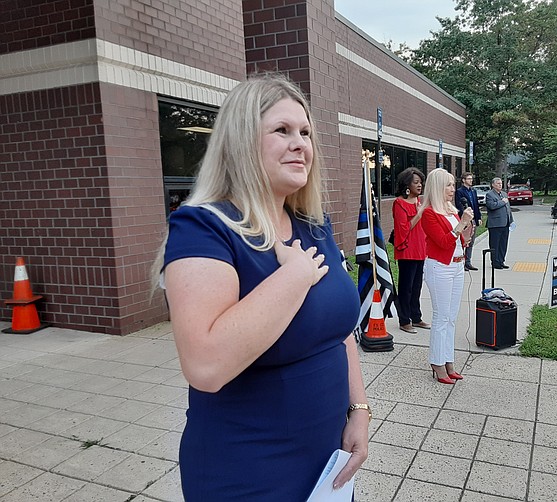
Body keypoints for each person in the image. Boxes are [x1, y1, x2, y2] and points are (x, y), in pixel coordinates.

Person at [154, 75, 369, 500]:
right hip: (248, 469)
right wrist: (293, 276)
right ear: (240, 142)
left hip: (326, 459)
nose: (300, 143)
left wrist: (358, 409)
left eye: (305, 132)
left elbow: (338, 328)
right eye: (282, 130)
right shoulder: (204, 227)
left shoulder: (313, 225)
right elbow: (206, 366)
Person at [419, 169, 474, 384]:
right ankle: (437, 363)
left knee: (451, 317)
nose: (452, 189)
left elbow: (458, 239)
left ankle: (448, 360)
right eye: (448, 185)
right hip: (440, 267)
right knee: (441, 317)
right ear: (437, 187)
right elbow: (442, 242)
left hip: (457, 266)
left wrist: (466, 231)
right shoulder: (429, 213)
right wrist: (461, 225)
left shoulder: (452, 210)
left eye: (453, 184)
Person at [392, 167, 430, 334]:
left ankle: (416, 316)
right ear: (407, 185)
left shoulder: (419, 202)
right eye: (416, 182)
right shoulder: (399, 203)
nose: (420, 185)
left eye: (421, 182)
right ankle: (404, 319)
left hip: (420, 249)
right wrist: (419, 213)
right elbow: (404, 229)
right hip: (407, 251)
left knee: (417, 286)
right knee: (406, 287)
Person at [455, 171, 482, 271]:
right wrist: (466, 219)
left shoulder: (473, 191)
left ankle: (468, 261)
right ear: (463, 180)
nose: (471, 181)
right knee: (464, 240)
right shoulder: (460, 191)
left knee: (471, 242)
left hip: (474, 218)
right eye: (469, 179)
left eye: (471, 179)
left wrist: (478, 217)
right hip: (466, 220)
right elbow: (460, 206)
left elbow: (476, 205)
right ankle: (461, 261)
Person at [485, 177, 514, 270]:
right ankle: (495, 262)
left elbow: (508, 209)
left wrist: (511, 220)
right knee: (495, 244)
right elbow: (492, 206)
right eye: (498, 183)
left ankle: (501, 261)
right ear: (493, 185)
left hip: (505, 223)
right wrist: (502, 202)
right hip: (495, 224)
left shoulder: (504, 194)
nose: (500, 185)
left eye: (501, 183)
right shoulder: (490, 195)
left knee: (503, 244)